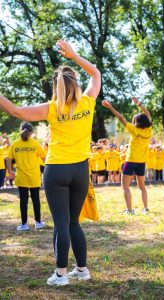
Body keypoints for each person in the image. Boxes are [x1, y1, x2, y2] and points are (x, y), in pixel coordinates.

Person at [0, 39, 101, 285]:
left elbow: (16, 111)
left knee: (61, 224)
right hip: (80, 169)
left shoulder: (52, 108)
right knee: (73, 222)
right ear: (75, 84)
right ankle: (82, 270)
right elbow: (96, 72)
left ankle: (61, 274)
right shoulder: (88, 102)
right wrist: (75, 57)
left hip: (56, 171)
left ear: (57, 86)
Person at [102, 96, 152, 214]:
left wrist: (110, 107)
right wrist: (139, 104)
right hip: (141, 162)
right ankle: (145, 209)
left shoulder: (133, 130)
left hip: (130, 161)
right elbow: (148, 113)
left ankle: (129, 210)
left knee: (125, 187)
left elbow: (120, 117)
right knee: (142, 187)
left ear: (136, 122)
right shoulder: (149, 130)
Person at [6, 122, 46, 231]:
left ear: (20, 130)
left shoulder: (15, 144)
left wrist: (10, 172)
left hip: (21, 176)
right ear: (31, 132)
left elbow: (8, 158)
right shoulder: (35, 143)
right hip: (34, 176)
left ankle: (24, 224)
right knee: (35, 200)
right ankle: (38, 223)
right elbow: (44, 158)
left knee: (23, 201)